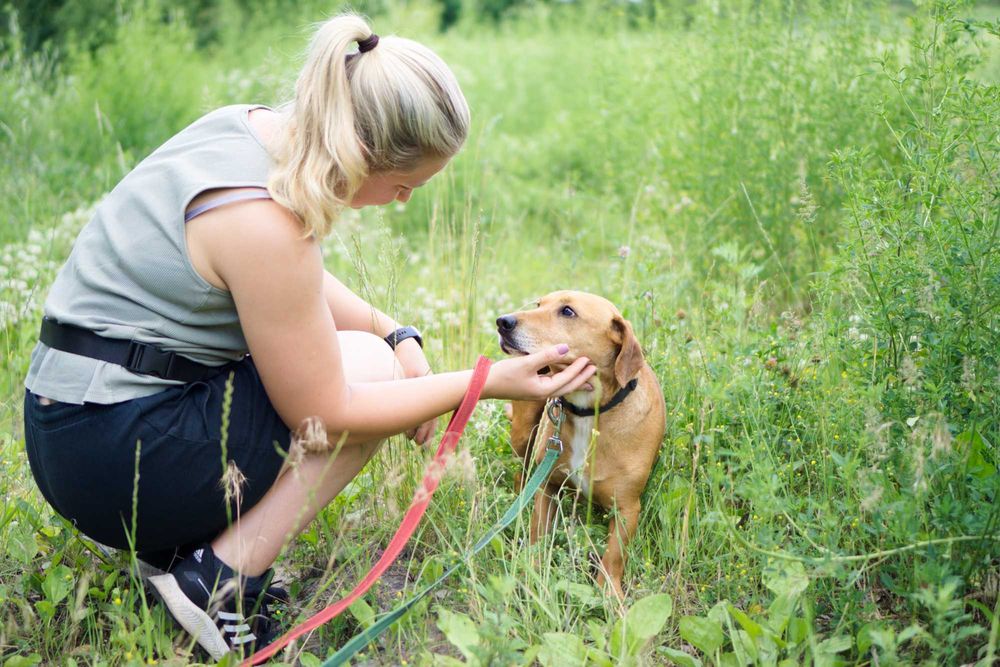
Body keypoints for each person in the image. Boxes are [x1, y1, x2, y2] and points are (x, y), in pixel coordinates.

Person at [21, 13, 596, 660]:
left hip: (70, 425)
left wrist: (393, 328)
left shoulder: (251, 130)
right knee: (368, 375)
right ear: (365, 155)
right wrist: (483, 383)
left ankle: (178, 546)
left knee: (378, 356)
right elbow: (327, 411)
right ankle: (217, 579)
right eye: (407, 185)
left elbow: (284, 287)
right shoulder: (267, 225)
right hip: (109, 451)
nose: (403, 201)